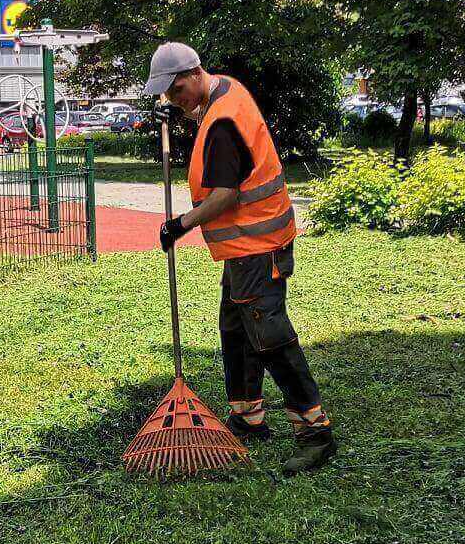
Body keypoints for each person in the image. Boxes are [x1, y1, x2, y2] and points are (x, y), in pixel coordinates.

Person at [144, 41, 336, 475]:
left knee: (269, 335)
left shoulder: (224, 123)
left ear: (195, 73)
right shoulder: (223, 90)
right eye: (169, 96)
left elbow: (225, 197)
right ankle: (247, 417)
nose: (175, 101)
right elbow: (201, 113)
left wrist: (180, 224)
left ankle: (315, 432)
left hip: (257, 243)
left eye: (177, 92)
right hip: (245, 246)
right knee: (235, 327)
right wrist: (176, 112)